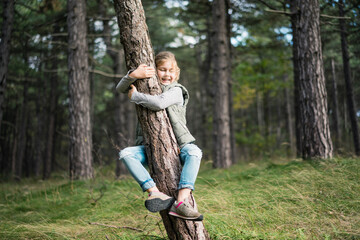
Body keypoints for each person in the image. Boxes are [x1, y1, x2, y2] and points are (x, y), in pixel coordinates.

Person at [116, 51, 203, 221]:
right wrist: (133, 75)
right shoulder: (145, 85)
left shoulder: (177, 90)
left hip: (180, 144)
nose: (167, 74)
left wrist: (136, 96)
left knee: (195, 153)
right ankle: (154, 192)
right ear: (153, 70)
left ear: (176, 73)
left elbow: (159, 103)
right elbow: (119, 88)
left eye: (171, 71)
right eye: (162, 70)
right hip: (150, 145)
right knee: (126, 154)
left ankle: (181, 201)